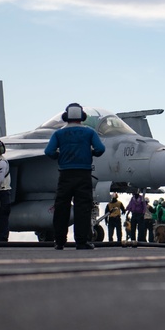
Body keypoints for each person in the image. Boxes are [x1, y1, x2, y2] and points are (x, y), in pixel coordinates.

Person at [44, 102, 105, 250]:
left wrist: (60, 155)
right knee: (83, 209)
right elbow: (100, 149)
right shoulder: (89, 132)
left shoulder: (58, 133)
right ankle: (82, 242)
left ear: (66, 117)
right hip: (83, 175)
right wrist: (90, 153)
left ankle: (59, 242)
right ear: (82, 117)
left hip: (65, 175)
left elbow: (49, 151)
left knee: (61, 209)